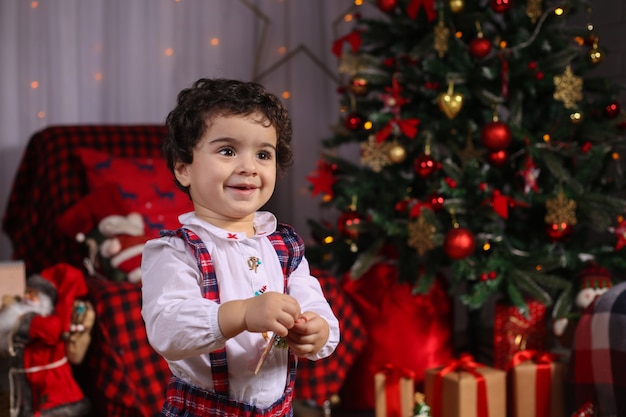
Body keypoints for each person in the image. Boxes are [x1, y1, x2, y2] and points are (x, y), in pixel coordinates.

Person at [141, 78, 340, 416]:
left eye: (263, 154)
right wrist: (244, 314)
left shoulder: (284, 246)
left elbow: (312, 303)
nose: (249, 167)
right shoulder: (176, 251)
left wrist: (315, 331)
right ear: (183, 167)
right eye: (228, 150)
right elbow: (168, 328)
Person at [0, 264, 91, 417]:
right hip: (29, 383)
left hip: (51, 383)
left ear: (45, 302)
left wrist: (24, 321)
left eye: (33, 294)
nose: (27, 297)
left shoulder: (45, 321)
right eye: (27, 292)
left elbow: (52, 330)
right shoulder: (19, 315)